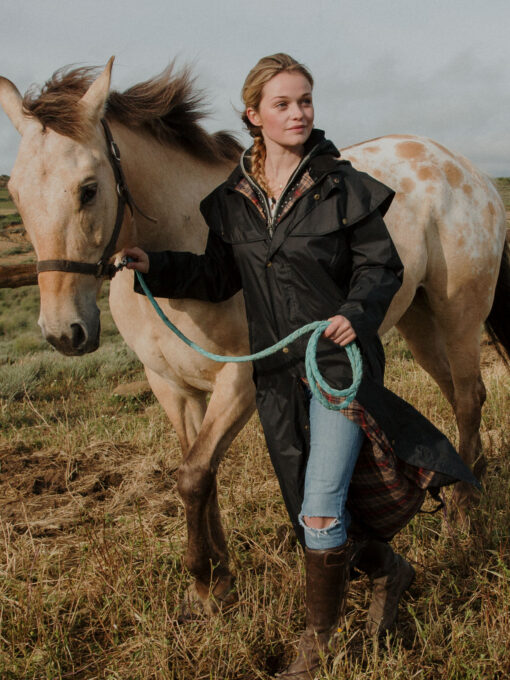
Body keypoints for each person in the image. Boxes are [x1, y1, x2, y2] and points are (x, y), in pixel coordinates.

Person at [122, 54, 478, 679]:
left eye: (305, 100)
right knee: (306, 507)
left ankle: (318, 643)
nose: (298, 113)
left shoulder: (344, 188)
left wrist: (357, 313)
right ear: (253, 115)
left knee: (318, 506)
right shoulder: (232, 202)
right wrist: (157, 265)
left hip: (336, 363)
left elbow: (381, 268)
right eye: (283, 104)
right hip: (277, 378)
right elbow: (218, 276)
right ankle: (389, 571)